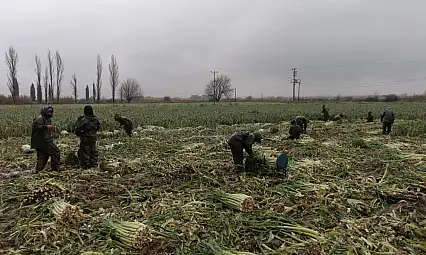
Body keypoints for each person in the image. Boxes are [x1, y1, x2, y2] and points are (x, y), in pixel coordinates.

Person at [31, 105, 60, 172]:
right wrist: (46, 127)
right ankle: (55, 169)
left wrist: (51, 129)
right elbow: (37, 128)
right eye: (49, 112)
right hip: (42, 141)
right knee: (55, 152)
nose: (50, 114)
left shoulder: (47, 119)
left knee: (43, 155)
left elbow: (46, 128)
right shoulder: (39, 119)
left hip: (44, 140)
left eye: (51, 112)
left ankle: (38, 170)